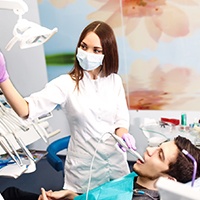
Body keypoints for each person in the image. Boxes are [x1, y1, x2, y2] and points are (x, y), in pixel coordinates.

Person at [0, 21, 136, 193]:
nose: (87, 54)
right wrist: (3, 78)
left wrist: (123, 134)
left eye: (96, 50)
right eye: (84, 46)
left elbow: (120, 120)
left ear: (107, 53)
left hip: (116, 168)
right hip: (84, 174)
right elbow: (26, 110)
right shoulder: (66, 84)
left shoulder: (114, 81)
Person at [1, 136, 200, 200]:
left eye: (160, 154)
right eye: (157, 146)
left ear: (169, 180)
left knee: (10, 194)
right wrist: (71, 196)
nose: (148, 149)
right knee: (11, 193)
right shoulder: (138, 178)